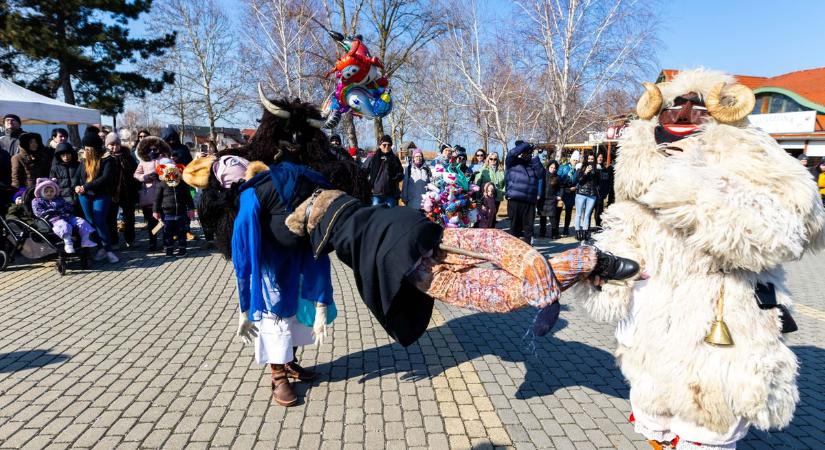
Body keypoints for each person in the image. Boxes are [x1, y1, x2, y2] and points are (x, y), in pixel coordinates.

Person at [584, 68, 825, 450]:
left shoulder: (750, 152)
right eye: (672, 106)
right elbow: (627, 225)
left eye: (695, 106)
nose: (682, 113)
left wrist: (690, 185)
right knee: (655, 415)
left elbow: (791, 230)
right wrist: (605, 265)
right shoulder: (639, 162)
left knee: (707, 426)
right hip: (650, 317)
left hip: (718, 317)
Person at [76, 133, 119, 263]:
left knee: (100, 220)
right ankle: (100, 248)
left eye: (89, 148)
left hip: (101, 194)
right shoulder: (83, 159)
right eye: (85, 148)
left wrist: (86, 186)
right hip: (84, 195)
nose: (86, 151)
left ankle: (108, 250)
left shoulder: (107, 159)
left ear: (95, 148)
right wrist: (76, 186)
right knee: (90, 222)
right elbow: (77, 175)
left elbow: (105, 178)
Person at [31, 178, 97, 254]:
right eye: (46, 191)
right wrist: (52, 211)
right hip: (53, 220)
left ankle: (85, 240)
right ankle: (68, 244)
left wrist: (67, 208)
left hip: (67, 216)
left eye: (51, 191)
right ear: (41, 192)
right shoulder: (37, 201)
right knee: (64, 225)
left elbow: (68, 206)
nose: (49, 193)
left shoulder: (58, 199)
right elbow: (38, 212)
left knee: (81, 221)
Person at [135, 136, 172, 251]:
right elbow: (136, 174)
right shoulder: (143, 161)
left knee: (165, 221)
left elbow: (174, 172)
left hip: (165, 195)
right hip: (149, 196)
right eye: (150, 149)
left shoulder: (165, 160)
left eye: (155, 149)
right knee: (152, 222)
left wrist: (163, 176)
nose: (152, 151)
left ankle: (167, 243)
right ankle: (152, 242)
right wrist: (145, 177)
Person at [105, 132, 139, 249]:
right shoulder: (105, 158)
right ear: (107, 145)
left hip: (127, 192)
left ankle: (130, 240)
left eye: (117, 144)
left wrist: (136, 190)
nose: (115, 146)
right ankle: (114, 242)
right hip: (111, 193)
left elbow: (135, 174)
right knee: (111, 219)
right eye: (111, 144)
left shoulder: (128, 157)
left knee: (129, 218)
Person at [153, 161, 194, 257]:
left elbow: (188, 198)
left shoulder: (183, 184)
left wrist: (191, 209)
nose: (171, 175)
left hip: (181, 212)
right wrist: (155, 211)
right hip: (167, 214)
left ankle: (182, 249)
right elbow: (157, 199)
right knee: (167, 232)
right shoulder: (161, 185)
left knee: (182, 231)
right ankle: (169, 249)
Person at [504, 141, 541, 244]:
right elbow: (512, 153)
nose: (525, 153)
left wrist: (535, 157)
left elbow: (541, 174)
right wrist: (526, 145)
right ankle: (513, 251)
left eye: (527, 152)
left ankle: (528, 250)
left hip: (529, 201)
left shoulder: (533, 163)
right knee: (515, 228)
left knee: (529, 229)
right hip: (515, 199)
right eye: (524, 151)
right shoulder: (512, 162)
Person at [368, 135, 403, 207]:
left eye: (389, 145)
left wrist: (394, 179)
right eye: (384, 145)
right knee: (375, 214)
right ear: (380, 145)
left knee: (390, 215)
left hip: (390, 193)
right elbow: (364, 171)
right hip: (376, 193)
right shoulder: (373, 158)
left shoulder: (395, 159)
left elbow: (400, 173)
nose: (387, 147)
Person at [573, 153, 599, 241]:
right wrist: (585, 172)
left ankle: (585, 232)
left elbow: (598, 183)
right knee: (579, 214)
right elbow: (579, 181)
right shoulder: (580, 168)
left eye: (592, 159)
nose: (590, 161)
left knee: (587, 214)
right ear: (586, 159)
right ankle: (577, 232)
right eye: (589, 159)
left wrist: (594, 172)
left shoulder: (597, 169)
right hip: (581, 193)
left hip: (592, 195)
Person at [474, 152, 505, 225]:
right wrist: (478, 197)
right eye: (491, 159)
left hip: (497, 197)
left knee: (494, 215)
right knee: (486, 216)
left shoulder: (501, 170)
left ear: (497, 160)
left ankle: (492, 231)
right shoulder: (483, 169)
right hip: (486, 197)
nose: (493, 161)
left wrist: (503, 192)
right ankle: (485, 231)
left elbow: (505, 183)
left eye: (495, 159)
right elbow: (477, 184)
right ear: (488, 160)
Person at [557, 152, 579, 236]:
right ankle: (556, 229)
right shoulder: (563, 167)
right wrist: (564, 181)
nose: (575, 161)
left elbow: (579, 181)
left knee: (568, 212)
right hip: (563, 191)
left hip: (571, 192)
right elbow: (558, 178)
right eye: (574, 159)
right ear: (571, 159)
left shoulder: (577, 169)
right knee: (558, 211)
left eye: (576, 160)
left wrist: (576, 187)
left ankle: (566, 229)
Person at [539, 160, 562, 239]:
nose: (553, 169)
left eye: (555, 168)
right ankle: (542, 232)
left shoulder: (558, 177)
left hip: (552, 199)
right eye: (551, 167)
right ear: (548, 167)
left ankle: (554, 234)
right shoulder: (543, 175)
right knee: (542, 217)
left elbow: (560, 188)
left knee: (552, 217)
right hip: (542, 199)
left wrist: (559, 195)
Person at [593, 152, 614, 228]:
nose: (600, 158)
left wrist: (605, 192)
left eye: (601, 157)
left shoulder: (604, 169)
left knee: (599, 211)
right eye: (599, 157)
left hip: (600, 194)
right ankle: (586, 228)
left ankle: (598, 226)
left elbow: (606, 182)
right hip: (592, 193)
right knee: (589, 211)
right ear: (596, 158)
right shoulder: (593, 167)